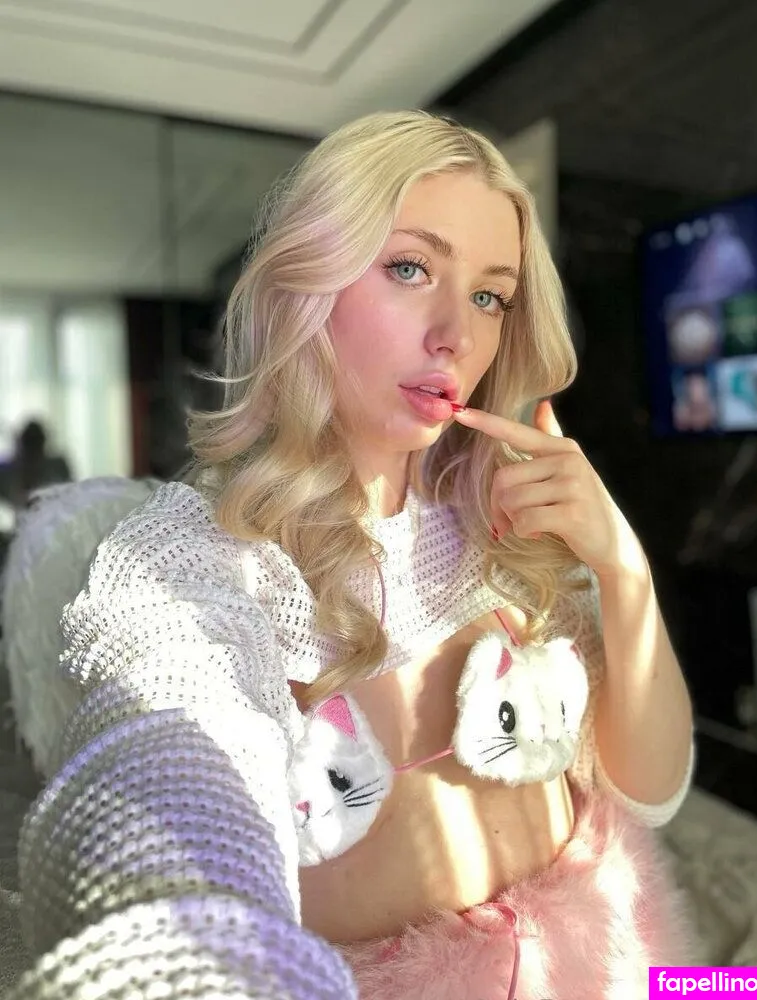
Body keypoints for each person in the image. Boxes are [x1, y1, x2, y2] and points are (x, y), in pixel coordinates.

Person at [7, 110, 695, 1000]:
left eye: (490, 296)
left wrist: (623, 569)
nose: (457, 336)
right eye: (410, 269)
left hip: (613, 961)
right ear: (308, 282)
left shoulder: (509, 514)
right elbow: (171, 757)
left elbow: (651, 796)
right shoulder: (198, 560)